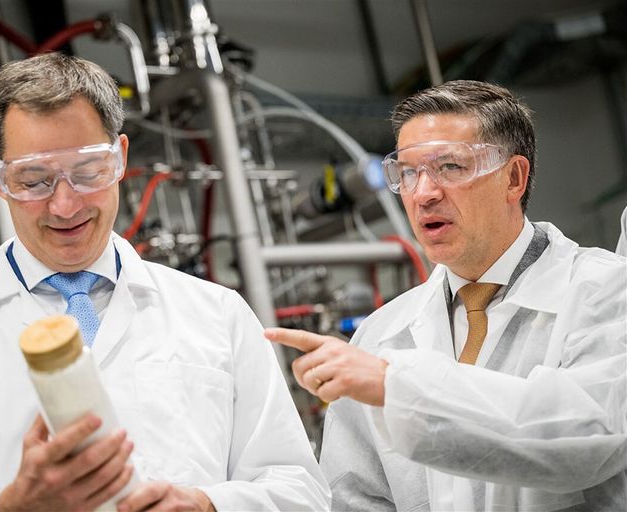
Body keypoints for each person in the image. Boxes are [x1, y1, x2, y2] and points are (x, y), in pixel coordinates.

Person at [0, 53, 330, 512]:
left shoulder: (217, 314)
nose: (65, 205)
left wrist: (208, 504)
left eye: (88, 172)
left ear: (121, 158)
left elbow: (301, 490)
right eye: (33, 180)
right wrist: (9, 508)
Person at [267, 80, 627, 511]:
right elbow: (354, 497)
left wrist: (395, 387)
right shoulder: (381, 334)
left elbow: (589, 438)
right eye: (408, 172)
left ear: (514, 178)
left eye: (451, 167)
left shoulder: (606, 290)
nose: (423, 193)